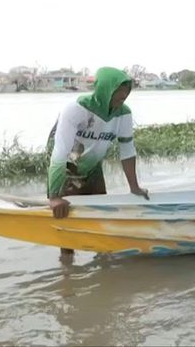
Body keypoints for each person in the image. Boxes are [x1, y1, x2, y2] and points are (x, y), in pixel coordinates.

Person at [46, 67, 149, 260]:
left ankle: (103, 263)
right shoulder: (76, 109)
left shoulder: (123, 114)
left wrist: (134, 187)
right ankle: (67, 267)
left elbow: (127, 150)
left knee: (101, 213)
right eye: (118, 94)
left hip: (93, 165)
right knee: (65, 219)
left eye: (125, 94)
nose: (122, 99)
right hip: (67, 165)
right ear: (105, 91)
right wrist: (54, 196)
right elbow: (59, 154)